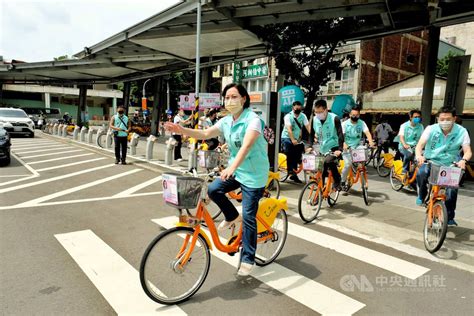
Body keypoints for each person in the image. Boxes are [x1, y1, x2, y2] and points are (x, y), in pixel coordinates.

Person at [164, 83, 269, 277]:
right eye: (227, 97)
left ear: (243, 99)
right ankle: (231, 216)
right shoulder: (226, 121)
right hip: (237, 170)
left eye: (234, 96)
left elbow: (246, 147)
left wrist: (231, 167)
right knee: (213, 190)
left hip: (254, 174)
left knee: (248, 216)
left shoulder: (253, 120)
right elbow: (205, 134)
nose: (230, 101)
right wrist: (181, 130)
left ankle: (248, 257)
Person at [415, 107, 472, 226]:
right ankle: (422, 193)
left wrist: (463, 160)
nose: (445, 121)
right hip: (431, 160)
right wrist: (419, 156)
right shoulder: (431, 129)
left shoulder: (462, 131)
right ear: (437, 119)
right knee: (421, 173)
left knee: (452, 190)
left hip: (449, 164)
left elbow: (468, 151)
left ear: (454, 119)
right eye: (442, 119)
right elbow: (420, 145)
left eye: (448, 119)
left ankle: (450, 217)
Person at [341, 106, 375, 190]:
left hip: (357, 146)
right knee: (348, 164)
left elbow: (367, 133)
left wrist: (370, 142)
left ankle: (361, 166)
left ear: (359, 115)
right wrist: (344, 144)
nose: (354, 116)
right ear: (349, 114)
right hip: (347, 147)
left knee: (364, 149)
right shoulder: (344, 124)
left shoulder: (362, 123)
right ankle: (342, 181)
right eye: (353, 114)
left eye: (356, 115)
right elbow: (341, 136)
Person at [313, 99, 344, 190]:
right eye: (316, 112)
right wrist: (309, 146)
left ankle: (337, 179)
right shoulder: (314, 119)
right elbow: (311, 134)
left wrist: (340, 149)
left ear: (326, 110)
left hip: (334, 146)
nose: (318, 114)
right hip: (322, 147)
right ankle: (320, 192)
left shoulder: (335, 118)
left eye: (320, 112)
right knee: (320, 168)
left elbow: (340, 134)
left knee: (328, 161)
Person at [281, 101, 311, 183]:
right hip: (287, 137)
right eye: (296, 108)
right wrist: (292, 139)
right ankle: (290, 170)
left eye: (299, 108)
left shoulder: (303, 116)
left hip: (297, 138)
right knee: (290, 150)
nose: (298, 109)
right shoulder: (288, 116)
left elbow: (308, 126)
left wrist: (314, 136)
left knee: (298, 153)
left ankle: (294, 174)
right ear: (293, 108)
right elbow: (289, 129)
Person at [398, 110, 424, 174]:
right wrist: (404, 144)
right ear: (411, 117)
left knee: (421, 158)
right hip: (404, 146)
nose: (417, 118)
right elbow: (401, 136)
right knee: (409, 154)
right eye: (415, 117)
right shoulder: (404, 125)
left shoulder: (420, 126)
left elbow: (423, 138)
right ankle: (404, 169)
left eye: (418, 117)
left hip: (415, 147)